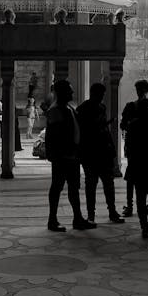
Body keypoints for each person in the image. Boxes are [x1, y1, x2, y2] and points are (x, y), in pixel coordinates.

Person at [44, 79, 96, 232]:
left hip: (71, 156)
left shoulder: (67, 108)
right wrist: (59, 153)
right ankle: (52, 220)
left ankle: (77, 218)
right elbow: (54, 135)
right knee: (57, 187)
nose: (72, 93)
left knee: (73, 187)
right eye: (70, 90)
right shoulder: (56, 110)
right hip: (63, 156)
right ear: (62, 92)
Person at [120, 80, 148, 238]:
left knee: (140, 192)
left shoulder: (130, 108)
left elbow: (122, 125)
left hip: (136, 155)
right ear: (147, 90)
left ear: (137, 90)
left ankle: (145, 227)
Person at [76, 82, 124, 224]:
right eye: (101, 94)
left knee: (108, 183)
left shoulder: (100, 108)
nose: (102, 97)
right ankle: (91, 215)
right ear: (95, 94)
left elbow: (105, 132)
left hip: (103, 152)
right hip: (90, 152)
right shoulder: (83, 109)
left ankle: (112, 211)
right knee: (91, 184)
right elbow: (83, 131)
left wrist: (112, 151)